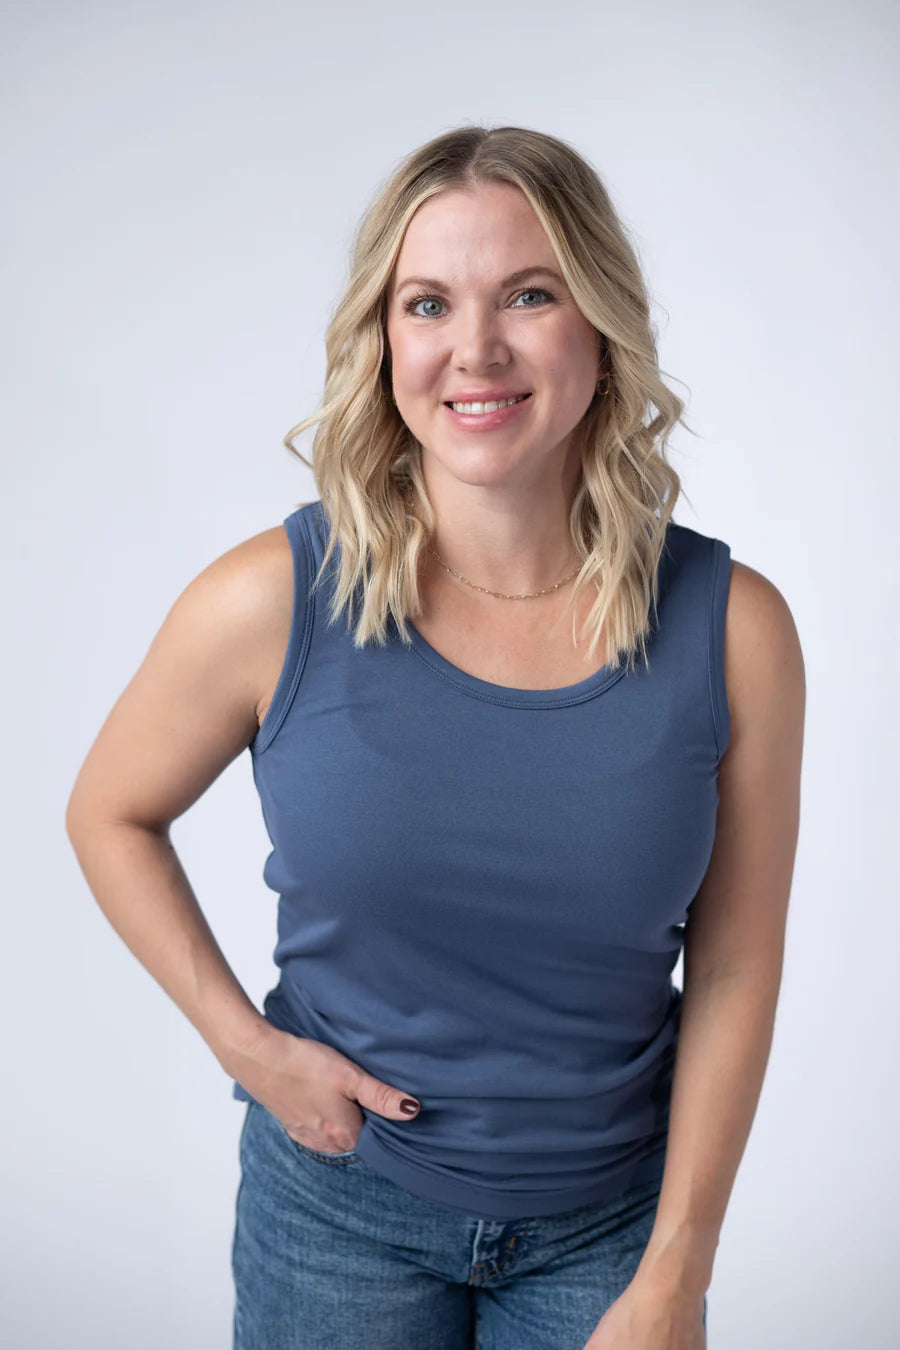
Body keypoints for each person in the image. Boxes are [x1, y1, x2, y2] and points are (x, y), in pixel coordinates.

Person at [65, 124, 805, 1350]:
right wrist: (250, 1050)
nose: (477, 348)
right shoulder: (274, 601)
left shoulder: (733, 631)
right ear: (385, 341)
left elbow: (734, 966)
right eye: (428, 304)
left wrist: (678, 1271)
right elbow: (109, 812)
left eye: (530, 294)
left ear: (601, 325)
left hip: (612, 1233)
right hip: (336, 1213)